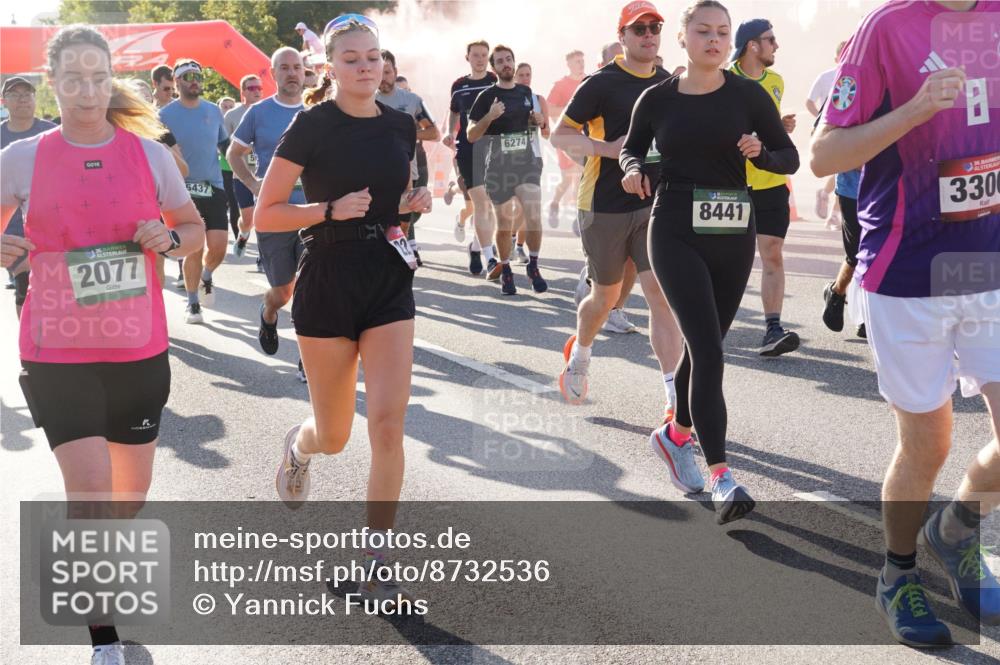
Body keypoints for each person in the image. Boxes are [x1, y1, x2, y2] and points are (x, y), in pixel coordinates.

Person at [0, 26, 204, 665]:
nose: (86, 90)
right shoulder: (21, 158)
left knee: (127, 498)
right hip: (55, 348)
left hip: (136, 348)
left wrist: (170, 242)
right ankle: (103, 639)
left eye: (97, 77)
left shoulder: (150, 155)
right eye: (72, 78)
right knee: (87, 497)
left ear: (110, 79)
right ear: (51, 83)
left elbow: (193, 229)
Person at [810, 0, 1000, 646]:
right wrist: (916, 109)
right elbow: (825, 155)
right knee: (929, 444)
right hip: (908, 269)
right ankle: (897, 573)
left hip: (989, 268)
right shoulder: (887, 28)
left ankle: (954, 531)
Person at [254, 14, 431, 609]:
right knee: (333, 435)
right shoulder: (313, 124)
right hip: (326, 277)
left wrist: (412, 204)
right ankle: (298, 450)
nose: (364, 67)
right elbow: (267, 213)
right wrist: (327, 209)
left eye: (373, 56)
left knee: (387, 422)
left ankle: (377, 561)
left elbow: (394, 203)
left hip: (386, 276)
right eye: (351, 58)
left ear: (385, 63)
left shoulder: (402, 124)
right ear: (329, 68)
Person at [620, 0, 798, 521]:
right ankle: (722, 474)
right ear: (683, 38)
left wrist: (760, 154)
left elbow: (788, 156)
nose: (714, 39)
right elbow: (632, 150)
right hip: (673, 224)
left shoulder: (749, 95)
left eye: (722, 32)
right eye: (703, 31)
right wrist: (633, 171)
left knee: (708, 347)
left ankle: (674, 435)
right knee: (707, 348)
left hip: (732, 226)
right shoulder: (656, 99)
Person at [552, 1, 685, 444]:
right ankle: (581, 354)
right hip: (604, 204)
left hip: (655, 203)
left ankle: (673, 398)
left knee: (659, 295)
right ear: (623, 36)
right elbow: (561, 134)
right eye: (640, 29)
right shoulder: (602, 83)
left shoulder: (670, 82)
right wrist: (612, 149)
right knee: (605, 298)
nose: (649, 35)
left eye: (655, 28)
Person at [227, 47, 308, 379]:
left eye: (297, 67)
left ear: (305, 73)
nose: (291, 73)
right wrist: (254, 184)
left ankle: (309, 358)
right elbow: (235, 154)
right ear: (273, 74)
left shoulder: (318, 110)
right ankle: (268, 312)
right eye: (284, 68)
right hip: (274, 213)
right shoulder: (259, 113)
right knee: (283, 291)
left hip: (312, 211)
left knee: (311, 285)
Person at [731, 18, 800, 357]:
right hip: (731, 184)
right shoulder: (724, 79)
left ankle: (773, 328)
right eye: (770, 40)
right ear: (752, 46)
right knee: (728, 260)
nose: (776, 46)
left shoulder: (776, 81)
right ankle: (708, 325)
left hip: (771, 180)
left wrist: (781, 125)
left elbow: (767, 125)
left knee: (772, 252)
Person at [468, 44, 548, 296]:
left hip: (526, 165)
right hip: (499, 169)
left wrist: (538, 121)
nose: (506, 64)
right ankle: (505, 269)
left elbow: (541, 128)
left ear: (514, 63)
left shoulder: (526, 92)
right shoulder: (486, 97)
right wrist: (490, 116)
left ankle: (533, 266)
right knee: (504, 224)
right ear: (494, 68)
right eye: (500, 61)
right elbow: (471, 135)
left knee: (533, 213)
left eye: (509, 60)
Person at [159, 59, 231, 324]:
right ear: (177, 81)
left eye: (198, 76)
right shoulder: (164, 115)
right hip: (182, 191)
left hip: (213, 186)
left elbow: (226, 146)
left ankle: (207, 274)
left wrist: (244, 172)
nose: (194, 81)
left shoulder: (213, 111)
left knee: (219, 247)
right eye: (188, 76)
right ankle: (193, 303)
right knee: (194, 247)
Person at [376, 50, 440, 267]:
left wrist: (407, 134)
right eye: (379, 72)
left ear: (395, 72)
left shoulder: (412, 100)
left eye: (387, 72)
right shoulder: (365, 99)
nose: (383, 77)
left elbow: (433, 132)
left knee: (406, 216)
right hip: (373, 169)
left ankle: (398, 255)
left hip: (406, 170)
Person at [1, 76, 55, 318]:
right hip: (12, 229)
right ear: (4, 101)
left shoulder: (52, 133)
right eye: (16, 94)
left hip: (51, 224)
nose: (23, 98)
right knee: (25, 285)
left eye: (27, 94)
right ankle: (29, 343)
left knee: (54, 287)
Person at [443, 40, 498, 274]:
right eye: (475, 55)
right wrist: (448, 131)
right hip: (467, 149)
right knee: (481, 204)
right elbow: (454, 111)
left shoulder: (495, 81)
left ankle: (476, 247)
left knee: (491, 206)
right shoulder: (459, 85)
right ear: (468, 57)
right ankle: (491, 259)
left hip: (494, 148)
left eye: (484, 55)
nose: (480, 58)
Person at [511, 62, 550, 264]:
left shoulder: (538, 100)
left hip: (533, 158)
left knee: (528, 207)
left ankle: (517, 246)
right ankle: (510, 241)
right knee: (518, 207)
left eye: (528, 74)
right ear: (515, 77)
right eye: (522, 75)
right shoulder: (508, 99)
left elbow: (547, 133)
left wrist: (541, 121)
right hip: (510, 159)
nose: (526, 78)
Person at [806, 41, 847, 226]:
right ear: (836, 57)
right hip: (827, 132)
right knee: (842, 170)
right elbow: (809, 102)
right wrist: (821, 120)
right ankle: (833, 208)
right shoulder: (826, 77)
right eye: (843, 53)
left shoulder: (856, 76)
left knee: (843, 169)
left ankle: (832, 207)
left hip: (846, 131)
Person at [225, 75, 265, 258]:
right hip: (242, 175)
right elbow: (226, 149)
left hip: (265, 175)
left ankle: (263, 255)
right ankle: (244, 234)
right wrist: (246, 147)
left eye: (259, 88)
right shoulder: (232, 115)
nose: (256, 91)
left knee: (264, 216)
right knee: (248, 218)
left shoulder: (267, 111)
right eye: (251, 88)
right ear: (243, 92)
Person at [546, 49, 587, 229]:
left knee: (579, 174)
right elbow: (549, 109)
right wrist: (571, 110)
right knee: (567, 178)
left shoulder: (590, 81)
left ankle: (579, 217)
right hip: (566, 136)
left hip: (586, 137)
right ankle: (554, 203)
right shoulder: (561, 85)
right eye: (577, 61)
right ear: (569, 64)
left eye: (582, 61)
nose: (581, 64)